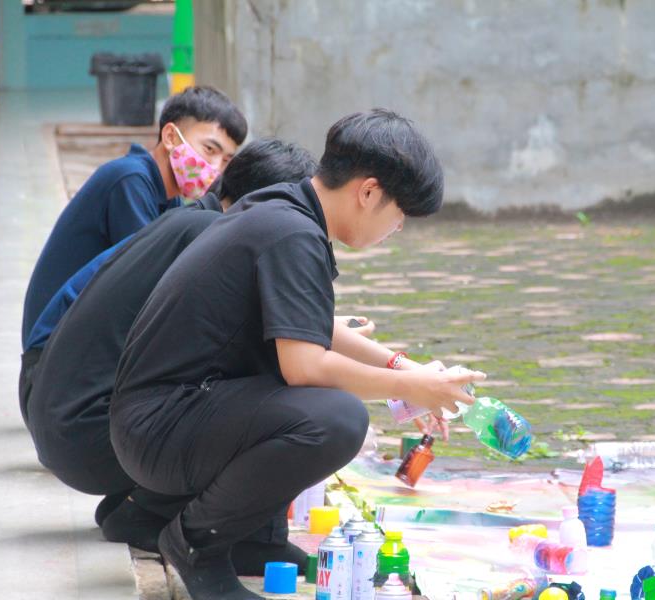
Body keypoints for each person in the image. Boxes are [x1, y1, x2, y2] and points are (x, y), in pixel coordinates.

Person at [110, 109, 485, 600]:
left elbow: (309, 327)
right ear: (368, 192)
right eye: (400, 215)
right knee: (335, 418)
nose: (397, 228)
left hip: (159, 419)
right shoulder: (292, 233)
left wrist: (404, 368)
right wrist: (410, 386)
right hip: (159, 430)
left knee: (310, 405)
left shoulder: (284, 210)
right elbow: (306, 366)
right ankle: (197, 543)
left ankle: (252, 542)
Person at [25, 139, 323, 574]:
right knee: (279, 390)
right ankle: (245, 537)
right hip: (90, 437)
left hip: (66, 426)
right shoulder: (210, 237)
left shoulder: (189, 221)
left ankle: (143, 505)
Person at [19, 86, 247, 419]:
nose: (214, 167)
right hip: (49, 366)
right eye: (209, 149)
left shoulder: (168, 199)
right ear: (170, 136)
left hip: (67, 356)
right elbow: (152, 292)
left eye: (226, 160)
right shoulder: (129, 180)